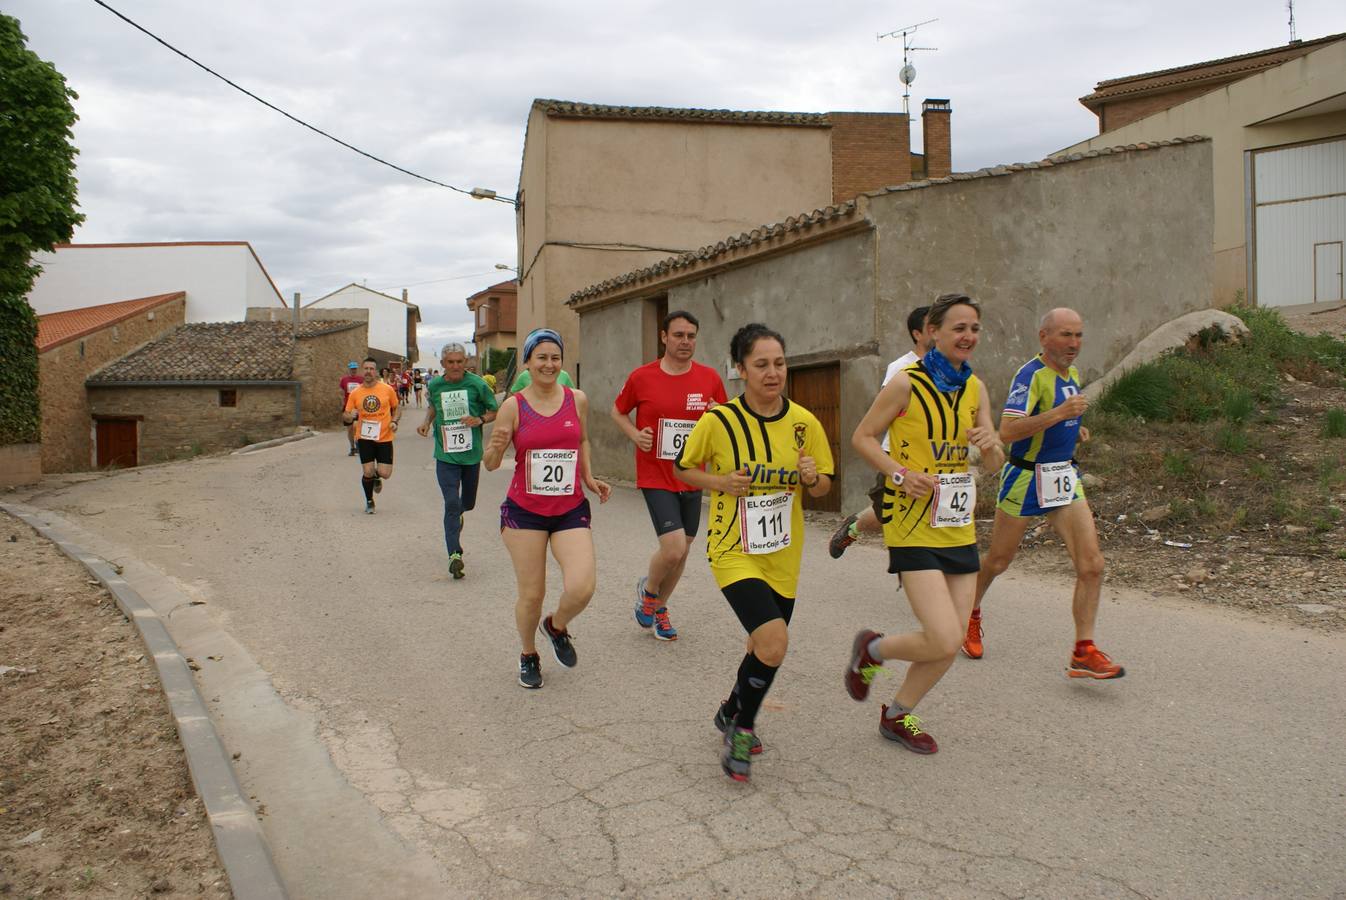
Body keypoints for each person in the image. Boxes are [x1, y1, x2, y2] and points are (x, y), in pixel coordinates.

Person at [844, 293, 1004, 755]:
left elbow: (992, 461)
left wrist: (990, 443)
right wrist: (899, 473)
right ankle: (872, 650)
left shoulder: (975, 389)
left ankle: (897, 713)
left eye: (974, 328)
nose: (968, 336)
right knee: (944, 635)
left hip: (957, 523)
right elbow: (863, 437)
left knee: (948, 643)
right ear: (932, 331)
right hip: (912, 522)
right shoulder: (905, 384)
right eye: (958, 328)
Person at [674, 323, 833, 783]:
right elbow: (684, 469)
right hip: (732, 549)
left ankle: (729, 709)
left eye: (779, 363)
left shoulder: (805, 423)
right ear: (740, 370)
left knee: (760, 645)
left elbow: (822, 487)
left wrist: (810, 478)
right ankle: (742, 730)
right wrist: (720, 482)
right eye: (761, 364)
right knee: (775, 642)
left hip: (783, 554)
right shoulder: (718, 422)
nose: (772, 373)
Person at [960, 308, 1124, 679]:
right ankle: (969, 611)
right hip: (1024, 478)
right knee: (999, 561)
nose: (1074, 344)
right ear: (1044, 337)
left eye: (1079, 336)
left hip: (1062, 476)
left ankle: (1084, 650)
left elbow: (1061, 415)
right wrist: (1061, 413)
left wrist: (1073, 427)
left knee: (1092, 565)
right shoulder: (1029, 375)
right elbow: (1008, 430)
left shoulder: (1072, 373)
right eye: (1066, 335)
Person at [484, 328, 611, 689]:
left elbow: (582, 440)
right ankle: (528, 654)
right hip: (524, 512)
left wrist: (588, 476)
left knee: (582, 586)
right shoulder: (514, 405)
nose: (549, 364)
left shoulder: (577, 399)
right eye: (541, 357)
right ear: (528, 362)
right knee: (532, 593)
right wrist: (495, 446)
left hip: (569, 508)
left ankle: (555, 626)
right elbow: (491, 463)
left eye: (555, 357)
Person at [611, 310, 727, 641]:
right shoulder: (641, 377)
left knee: (684, 550)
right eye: (678, 335)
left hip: (692, 476)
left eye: (691, 336)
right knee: (674, 548)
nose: (685, 342)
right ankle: (649, 593)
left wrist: (716, 417)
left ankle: (660, 607)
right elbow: (617, 411)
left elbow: (723, 422)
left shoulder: (709, 378)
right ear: (664, 337)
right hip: (655, 473)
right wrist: (635, 435)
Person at [829, 305, 931, 558]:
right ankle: (853, 526)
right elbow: (886, 412)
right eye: (933, 326)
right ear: (918, 334)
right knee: (887, 511)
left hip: (935, 454)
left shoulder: (950, 368)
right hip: (898, 454)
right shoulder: (902, 367)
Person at [418, 344, 499, 579]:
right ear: (443, 364)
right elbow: (434, 406)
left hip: (471, 454)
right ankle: (455, 554)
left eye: (459, 362)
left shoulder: (477, 384)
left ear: (466, 363)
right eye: (450, 362)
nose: (455, 366)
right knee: (451, 502)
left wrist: (479, 419)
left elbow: (495, 410)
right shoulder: (435, 385)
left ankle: (459, 514)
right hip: (445, 455)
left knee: (467, 503)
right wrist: (427, 422)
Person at [343, 357, 401, 514]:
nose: (368, 371)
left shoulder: (387, 389)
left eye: (371, 369)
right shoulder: (355, 393)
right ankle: (369, 501)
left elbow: (397, 408)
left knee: (385, 473)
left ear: (376, 371)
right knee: (367, 471)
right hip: (364, 437)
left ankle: (377, 476)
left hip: (384, 437)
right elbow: (346, 415)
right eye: (366, 368)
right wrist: (351, 415)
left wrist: (395, 421)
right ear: (363, 371)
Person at [338, 361, 364, 456]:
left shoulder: (361, 379)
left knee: (356, 426)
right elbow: (341, 392)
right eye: (352, 368)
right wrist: (342, 404)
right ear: (349, 369)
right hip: (347, 407)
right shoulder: (344, 380)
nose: (354, 370)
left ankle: (358, 444)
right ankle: (352, 447)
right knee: (349, 429)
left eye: (355, 368)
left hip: (358, 407)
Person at [509, 366, 574, 393]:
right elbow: (513, 394)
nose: (549, 365)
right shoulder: (524, 376)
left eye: (554, 358)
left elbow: (573, 398)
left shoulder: (564, 375)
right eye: (542, 358)